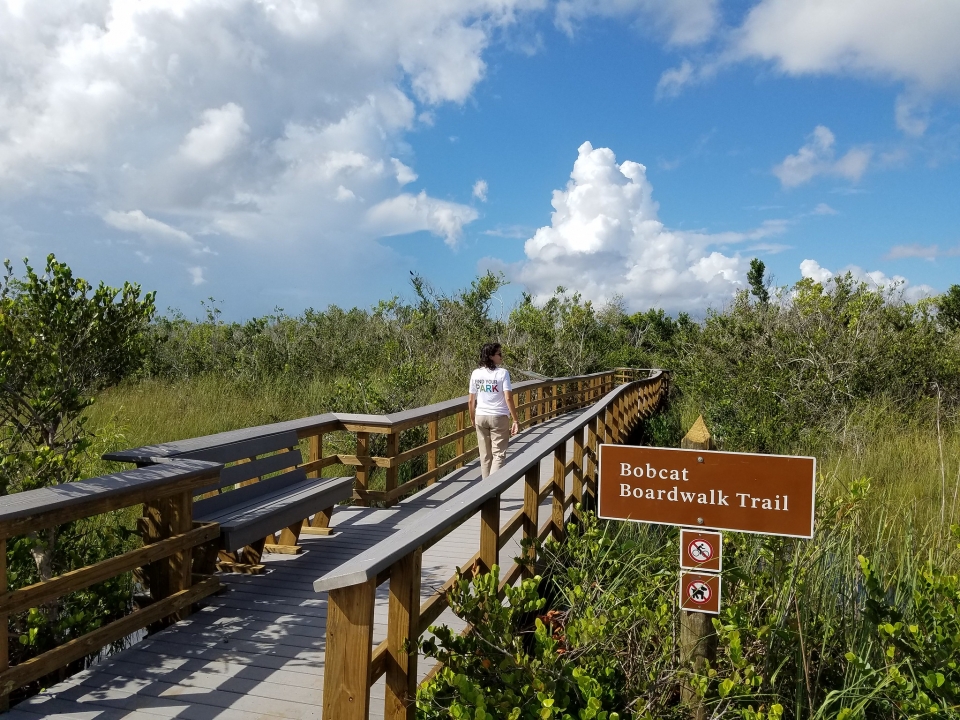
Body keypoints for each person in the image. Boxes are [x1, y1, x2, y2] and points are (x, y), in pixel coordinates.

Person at [468, 342, 519, 477]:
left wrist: (472, 418)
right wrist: (515, 420)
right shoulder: (502, 373)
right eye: (499, 354)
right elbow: (508, 398)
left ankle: (485, 490)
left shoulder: (476, 373)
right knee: (498, 455)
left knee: (485, 456)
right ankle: (491, 491)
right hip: (498, 417)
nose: (501, 356)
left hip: (480, 416)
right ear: (491, 356)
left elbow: (471, 400)